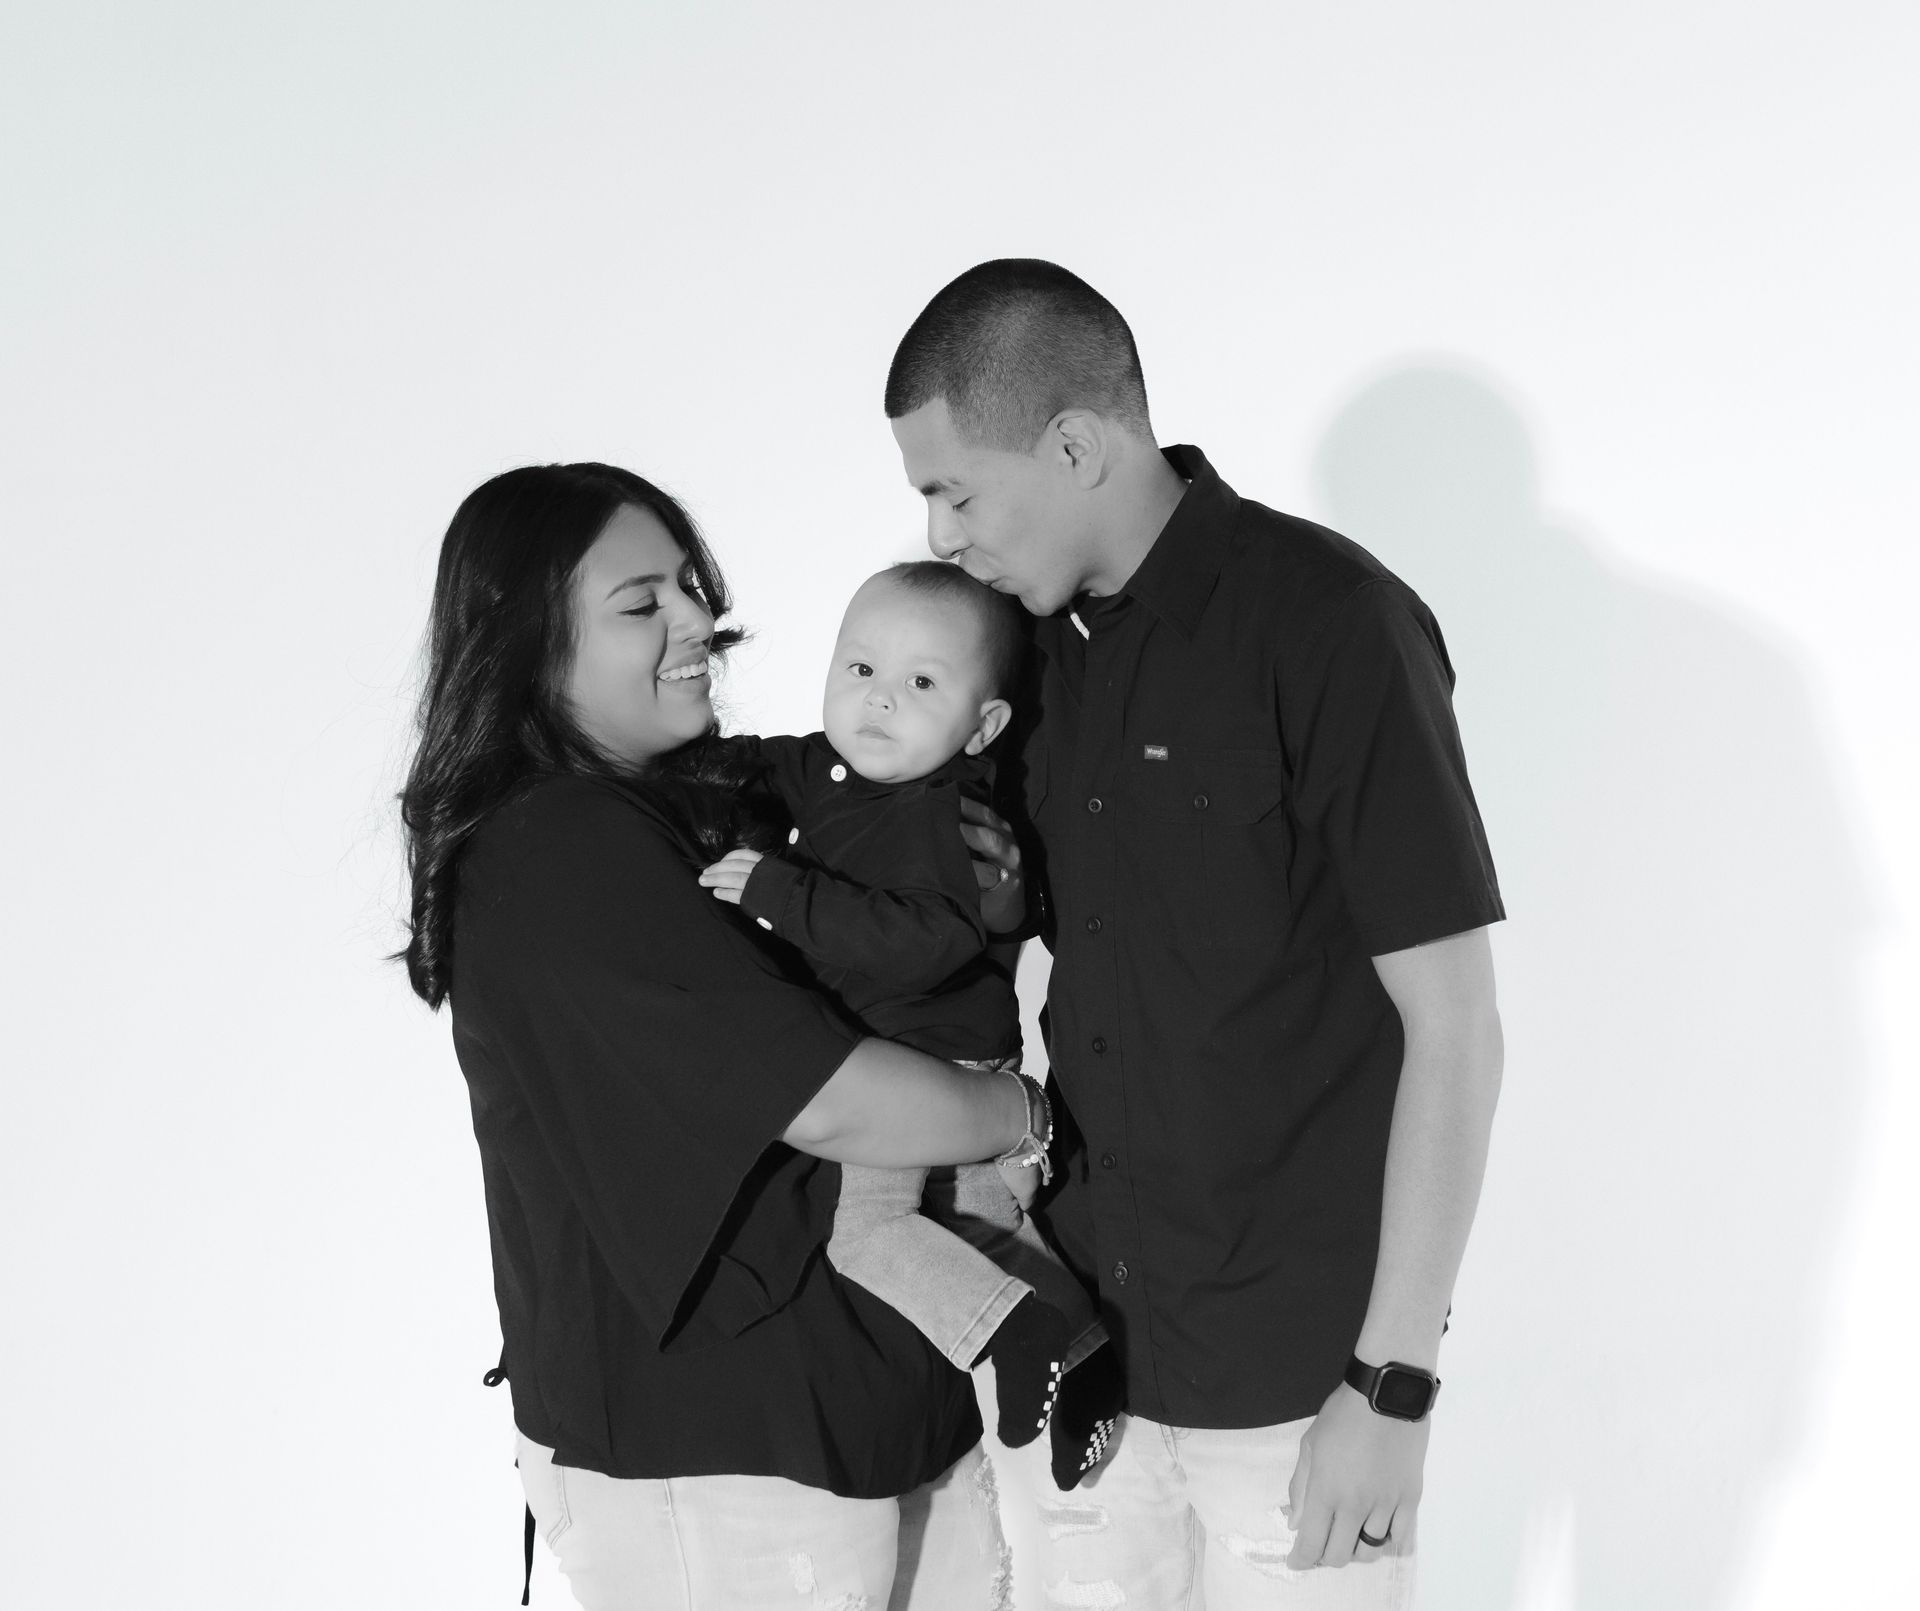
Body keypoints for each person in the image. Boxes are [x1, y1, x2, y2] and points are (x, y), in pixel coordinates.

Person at [884, 260, 1508, 1609]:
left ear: (1074, 443)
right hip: (1084, 1357)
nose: (941, 535)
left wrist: (1390, 1383)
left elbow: (1456, 1026)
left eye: (956, 490)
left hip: (1297, 1384)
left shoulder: (1333, 625)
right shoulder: (1019, 662)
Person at [396, 462, 1050, 1610]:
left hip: (861, 1413)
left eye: (690, 587)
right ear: (525, 644)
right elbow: (831, 1096)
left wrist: (976, 899)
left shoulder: (695, 805)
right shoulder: (560, 846)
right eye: (642, 603)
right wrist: (1022, 1111)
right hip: (715, 1462)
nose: (700, 620)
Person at [694, 561, 1122, 1488]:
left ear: (983, 726)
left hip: (929, 1053)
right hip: (921, 1052)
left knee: (870, 1234)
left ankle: (1010, 1333)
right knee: (980, 1214)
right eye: (859, 670)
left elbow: (923, 942)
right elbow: (762, 763)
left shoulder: (943, 813)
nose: (878, 703)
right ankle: (1085, 1354)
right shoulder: (837, 766)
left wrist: (782, 892)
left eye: (920, 685)